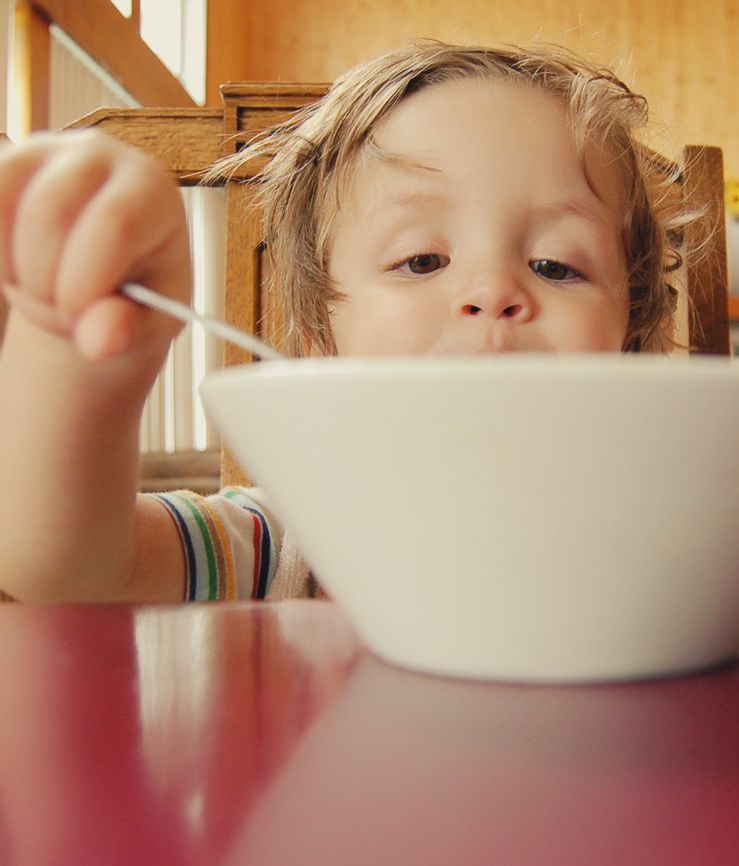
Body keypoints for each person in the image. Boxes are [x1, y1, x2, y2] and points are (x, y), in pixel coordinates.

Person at [0, 40, 689, 604]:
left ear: (629, 341)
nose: (491, 291)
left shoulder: (680, 540)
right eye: (421, 260)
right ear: (322, 345)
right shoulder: (286, 540)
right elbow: (62, 568)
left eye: (556, 265)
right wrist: (75, 346)